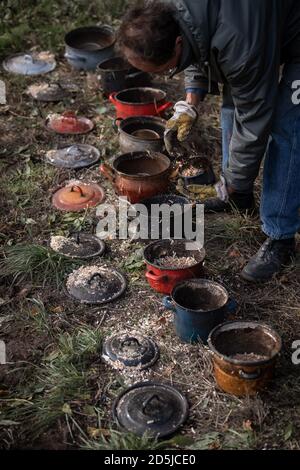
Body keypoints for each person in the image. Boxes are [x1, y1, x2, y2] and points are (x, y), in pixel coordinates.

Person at [118, 0, 300, 282]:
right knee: (233, 101)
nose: (167, 74)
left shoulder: (241, 47)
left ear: (176, 44)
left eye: (166, 69)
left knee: (289, 129)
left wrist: (234, 177)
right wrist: (190, 100)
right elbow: (196, 44)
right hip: (254, 28)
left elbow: (254, 120)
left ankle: (280, 236)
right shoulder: (174, 12)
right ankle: (239, 196)